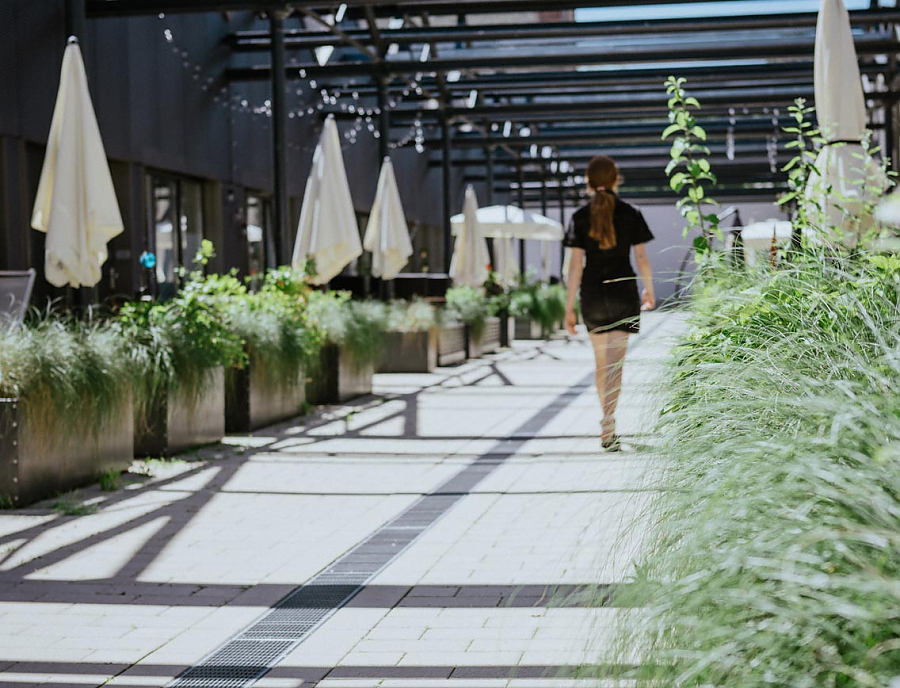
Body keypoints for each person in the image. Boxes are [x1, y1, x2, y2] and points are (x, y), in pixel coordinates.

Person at [563, 155, 655, 451]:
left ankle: (606, 419)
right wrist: (649, 290)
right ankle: (608, 421)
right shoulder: (631, 213)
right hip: (623, 294)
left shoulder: (579, 217)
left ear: (588, 182)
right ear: (616, 179)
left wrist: (568, 307)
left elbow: (575, 265)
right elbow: (641, 258)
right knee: (616, 365)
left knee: (601, 364)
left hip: (591, 295)